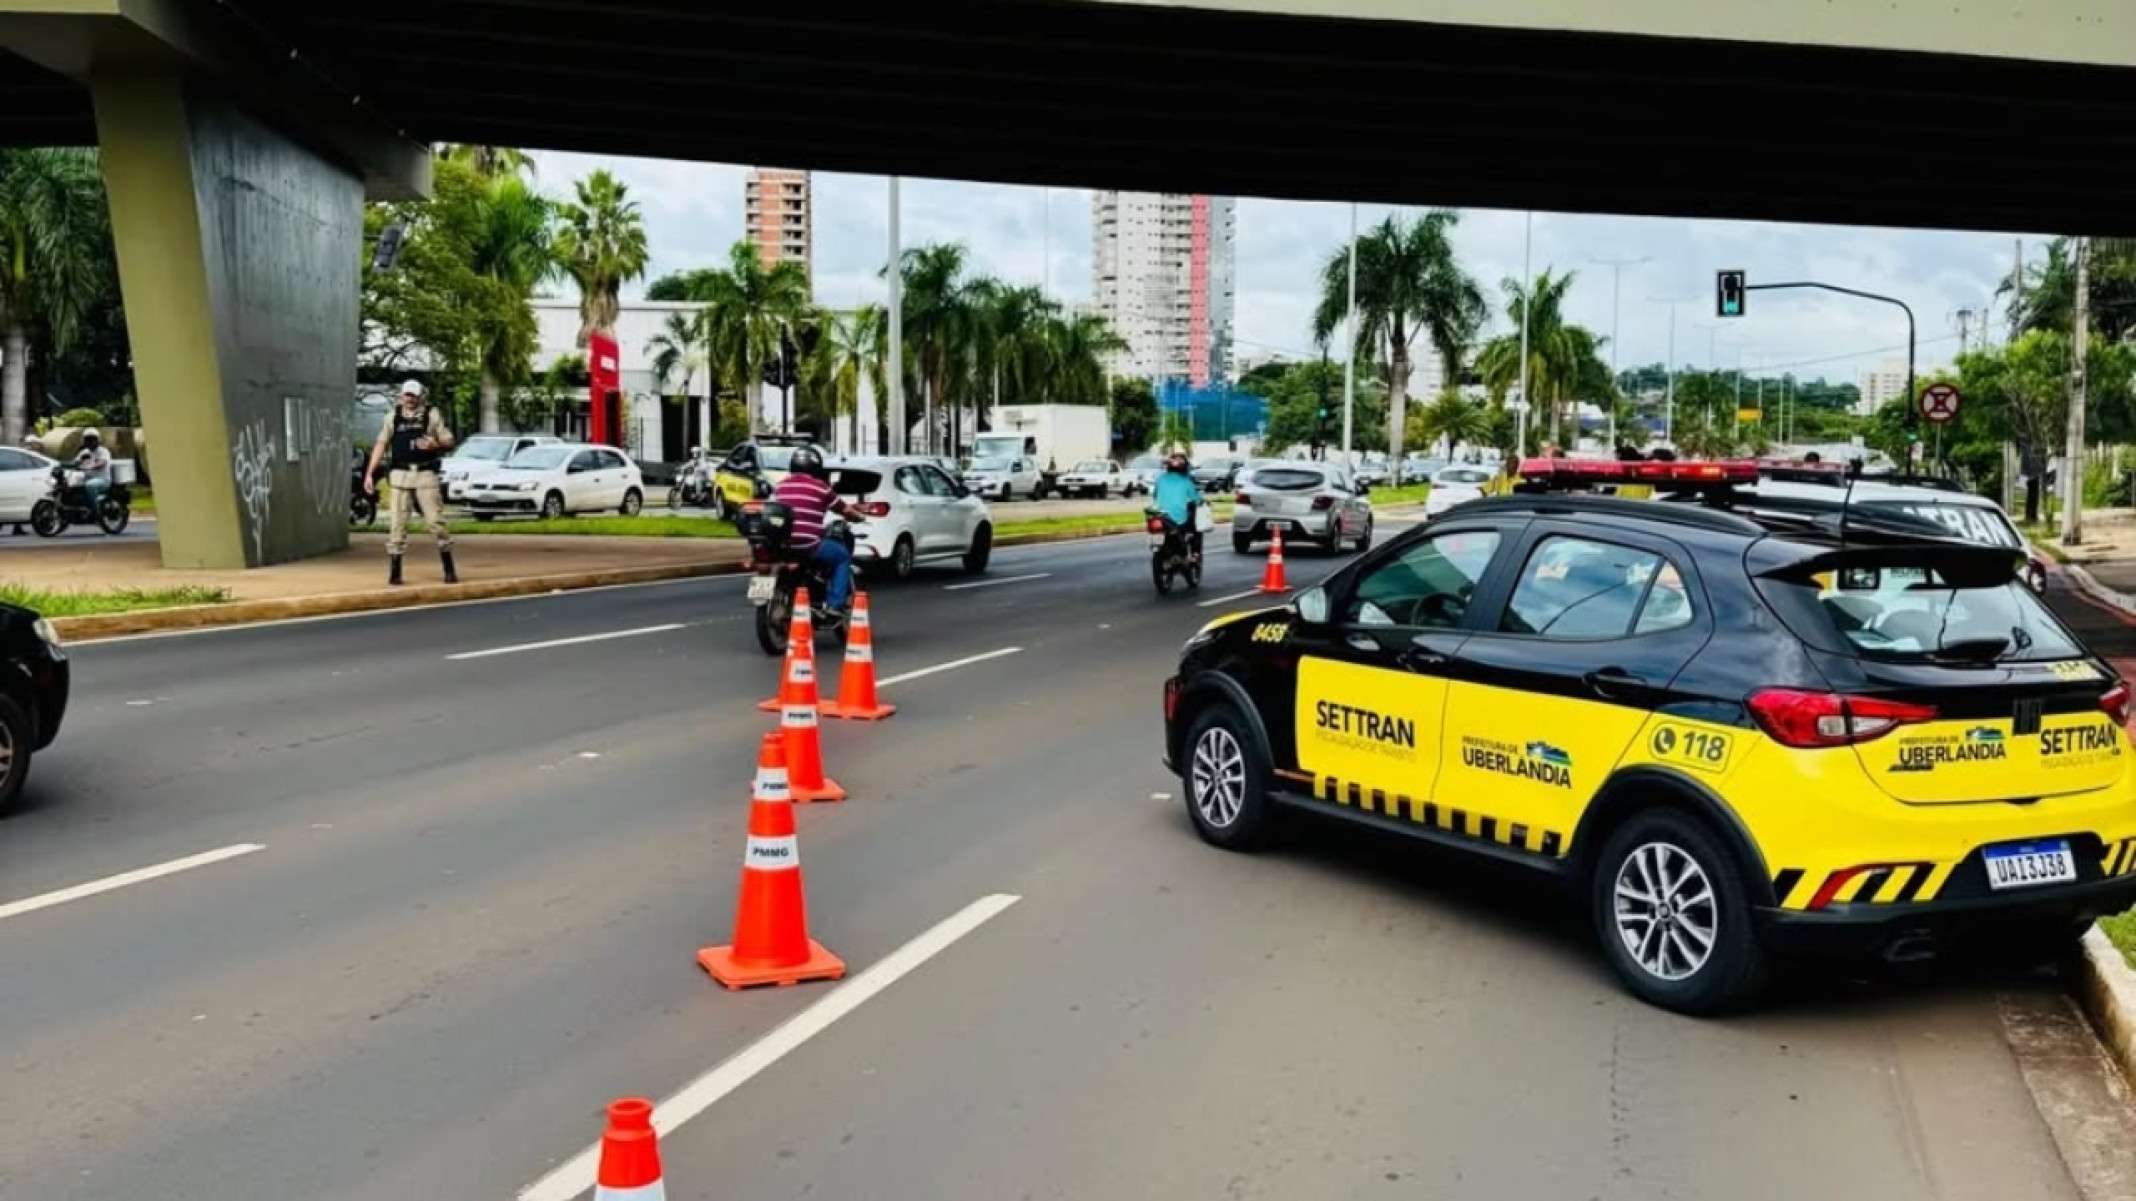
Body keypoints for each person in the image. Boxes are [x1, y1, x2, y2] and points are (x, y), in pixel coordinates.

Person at [365, 379, 457, 586]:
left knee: (435, 522)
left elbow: (449, 441)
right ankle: (395, 572)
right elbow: (381, 443)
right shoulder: (393, 418)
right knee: (397, 524)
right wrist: (370, 473)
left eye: (413, 395)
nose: (410, 399)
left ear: (421, 396)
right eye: (406, 395)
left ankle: (448, 567)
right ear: (401, 396)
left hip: (425, 475)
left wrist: (436, 444)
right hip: (401, 475)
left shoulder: (432, 416)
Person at [768, 444, 857, 620]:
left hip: (781, 544)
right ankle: (834, 605)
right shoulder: (821, 487)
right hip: (808, 545)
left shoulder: (779, 487)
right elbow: (844, 510)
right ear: (816, 467)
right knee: (842, 557)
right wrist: (858, 517)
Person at [1151, 452, 1203, 557]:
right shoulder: (1187, 481)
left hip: (1160, 516)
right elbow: (1197, 500)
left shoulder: (1160, 479)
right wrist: (1202, 502)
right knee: (1197, 527)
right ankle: (1195, 553)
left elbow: (1155, 495)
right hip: (1179, 520)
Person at [73, 431, 112, 504]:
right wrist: (78, 462)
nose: (89, 442)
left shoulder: (103, 451)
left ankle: (94, 510)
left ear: (97, 440)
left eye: (91, 439)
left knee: (90, 485)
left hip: (102, 480)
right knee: (70, 484)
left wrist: (91, 466)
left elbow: (102, 462)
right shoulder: (84, 452)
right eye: (87, 439)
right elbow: (76, 462)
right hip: (85, 478)